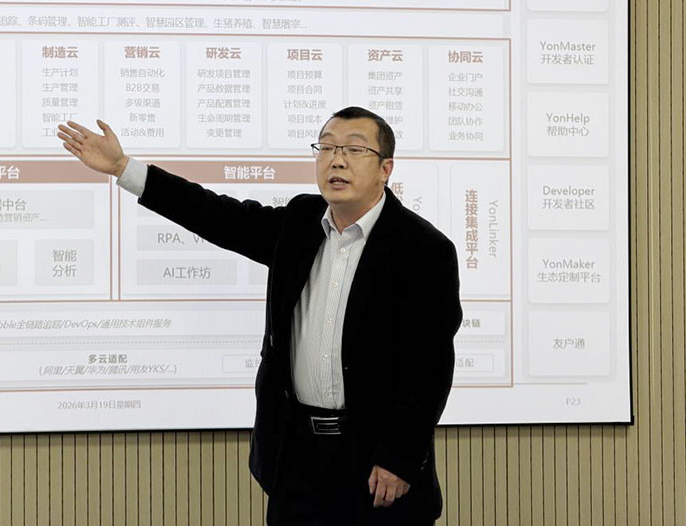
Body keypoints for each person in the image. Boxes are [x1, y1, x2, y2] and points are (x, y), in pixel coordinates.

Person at [58, 106, 462, 525]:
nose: (336, 160)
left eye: (354, 149)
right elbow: (217, 215)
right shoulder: (300, 223)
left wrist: (399, 457)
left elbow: (430, 369)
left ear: (385, 169)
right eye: (326, 147)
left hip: (374, 462)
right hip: (297, 456)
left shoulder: (423, 250)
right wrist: (124, 168)